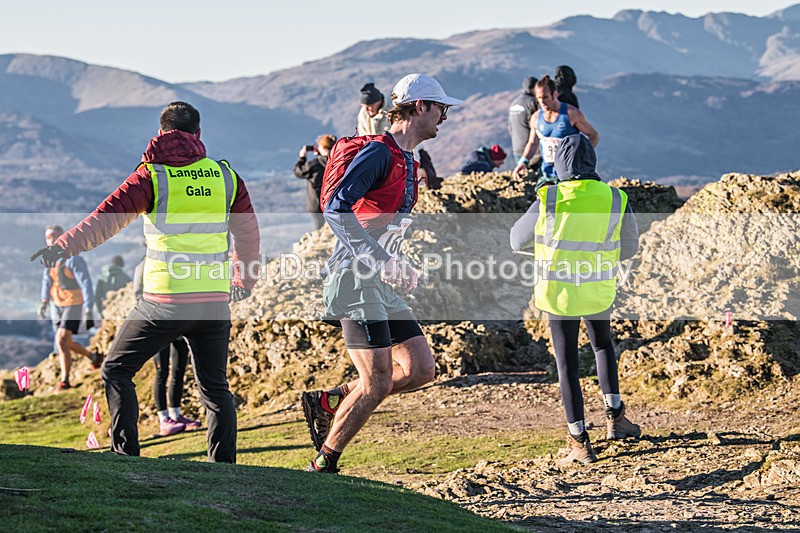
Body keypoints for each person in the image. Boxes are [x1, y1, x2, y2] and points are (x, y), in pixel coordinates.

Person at [30, 101, 261, 463]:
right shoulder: (226, 176)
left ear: (161, 133)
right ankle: (224, 468)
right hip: (214, 300)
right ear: (198, 134)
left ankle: (125, 456)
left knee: (116, 370)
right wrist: (243, 280)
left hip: (163, 301)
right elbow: (248, 234)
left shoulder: (152, 176)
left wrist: (62, 247)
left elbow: (105, 219)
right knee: (216, 390)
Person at [301, 73, 462, 474]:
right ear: (419, 106)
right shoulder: (379, 154)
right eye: (441, 107)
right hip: (355, 279)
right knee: (377, 383)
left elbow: (381, 224)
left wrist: (397, 261)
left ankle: (330, 401)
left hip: (379, 279)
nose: (445, 116)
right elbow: (337, 208)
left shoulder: (408, 160)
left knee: (423, 370)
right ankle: (324, 465)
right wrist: (381, 258)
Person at [510, 134, 641, 465]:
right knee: (602, 347)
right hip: (598, 288)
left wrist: (544, 247)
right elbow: (630, 247)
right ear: (591, 163)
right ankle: (616, 419)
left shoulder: (549, 198)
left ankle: (580, 442)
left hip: (558, 294)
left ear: (560, 165)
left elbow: (516, 240)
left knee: (566, 362)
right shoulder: (614, 198)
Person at [132, 259, 201, 436]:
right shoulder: (143, 267)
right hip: (159, 327)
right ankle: (164, 420)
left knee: (178, 371)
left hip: (180, 327)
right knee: (162, 373)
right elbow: (139, 296)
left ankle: (175, 415)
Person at [38, 225, 101, 390]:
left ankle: (65, 380)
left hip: (74, 303)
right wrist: (44, 301)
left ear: (63, 237)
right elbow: (47, 280)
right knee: (67, 342)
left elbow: (86, 283)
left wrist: (88, 309)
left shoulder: (74, 259)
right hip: (56, 303)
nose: (50, 240)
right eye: (47, 237)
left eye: (53, 236)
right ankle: (93, 356)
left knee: (60, 340)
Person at [512, 76, 599, 188]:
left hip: (569, 174)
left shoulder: (571, 113)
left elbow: (593, 135)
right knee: (543, 200)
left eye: (545, 97)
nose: (542, 102)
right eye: (539, 98)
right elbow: (533, 143)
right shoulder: (536, 117)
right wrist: (523, 162)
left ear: (555, 94)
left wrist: (580, 156)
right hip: (547, 172)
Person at [294, 134, 337, 230]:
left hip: (316, 203)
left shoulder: (314, 164)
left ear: (322, 147)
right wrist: (319, 155)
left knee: (319, 228)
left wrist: (302, 157)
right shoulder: (336, 162)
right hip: (333, 202)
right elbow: (325, 161)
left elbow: (299, 172)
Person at [508, 75, 541, 174]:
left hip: (517, 147)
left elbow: (510, 127)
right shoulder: (532, 103)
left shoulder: (514, 103)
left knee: (523, 177)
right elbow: (537, 125)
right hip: (532, 150)